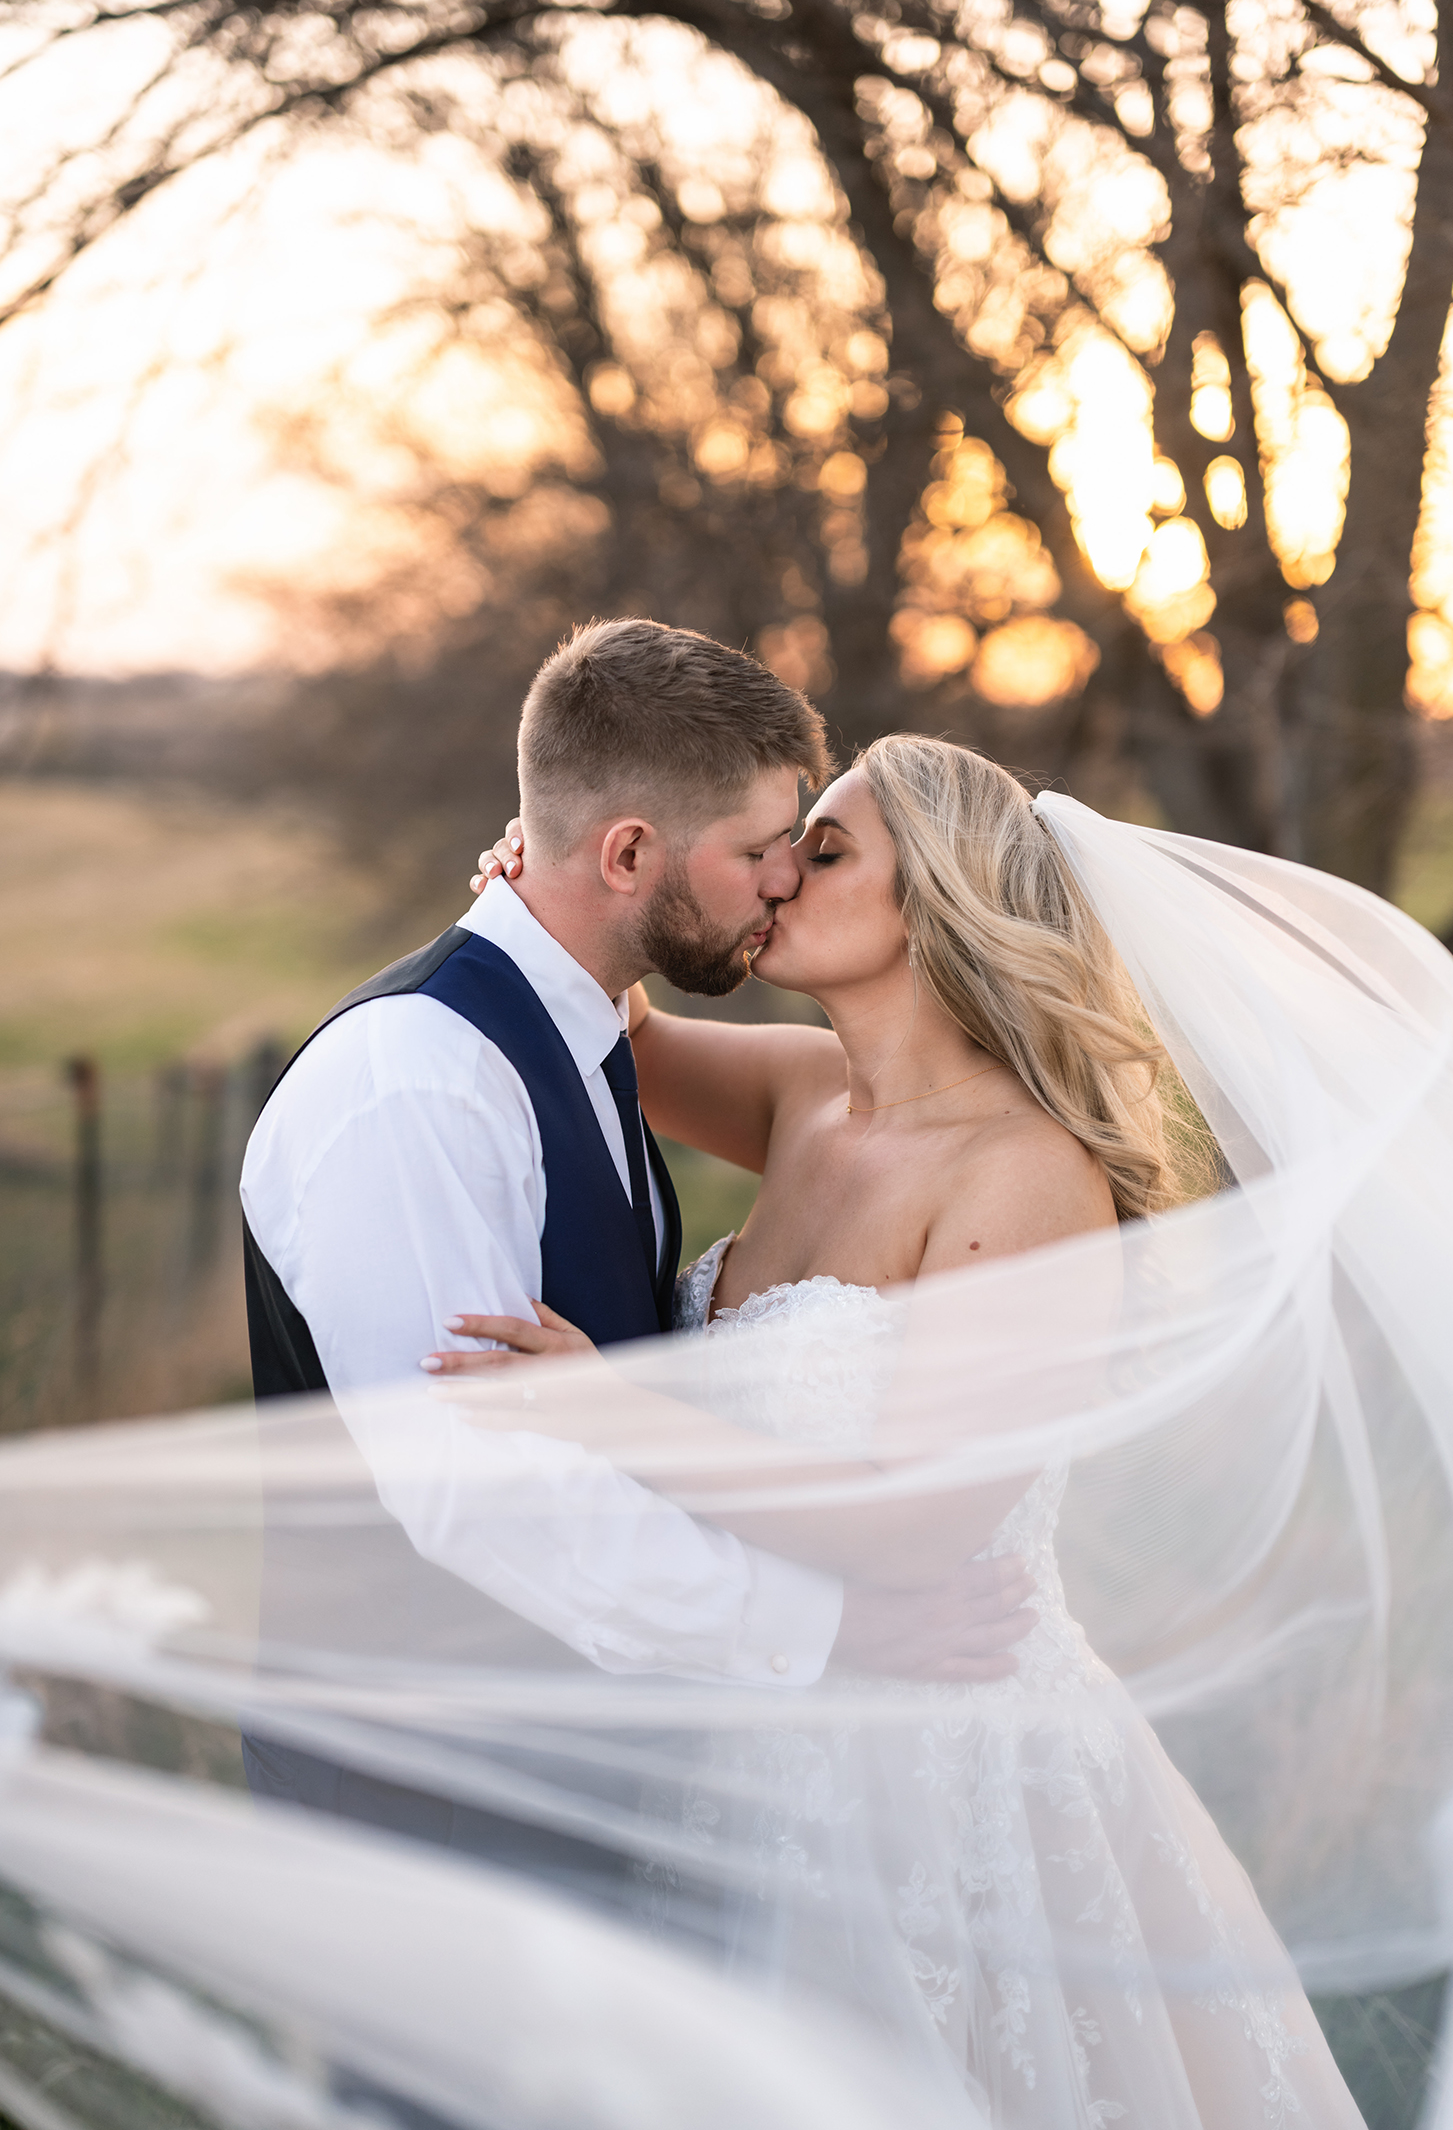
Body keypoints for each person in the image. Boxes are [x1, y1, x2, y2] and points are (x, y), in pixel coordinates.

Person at [437, 733, 1405, 2130]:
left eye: (826, 849)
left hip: (936, 1772)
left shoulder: (1025, 1173)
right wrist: (549, 873)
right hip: (749, 1727)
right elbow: (599, 1033)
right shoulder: (806, 1097)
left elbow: (917, 1521)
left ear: (936, 897)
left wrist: (612, 1413)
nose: (780, 870)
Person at [239, 623, 1040, 1845]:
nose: (781, 882)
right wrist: (826, 1635)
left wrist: (563, 902)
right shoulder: (419, 1084)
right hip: (443, 1799)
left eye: (811, 852)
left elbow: (618, 1006)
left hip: (661, 1775)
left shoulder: (590, 1036)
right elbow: (485, 1500)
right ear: (627, 852)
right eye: (770, 850)